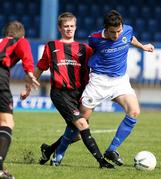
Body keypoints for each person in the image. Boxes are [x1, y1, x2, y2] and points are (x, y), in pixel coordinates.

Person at [21, 12, 114, 169]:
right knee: (82, 125)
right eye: (66, 26)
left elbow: (95, 71)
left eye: (71, 26)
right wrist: (28, 89)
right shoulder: (51, 46)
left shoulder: (85, 49)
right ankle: (101, 162)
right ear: (60, 28)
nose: (69, 29)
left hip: (79, 94)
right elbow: (40, 68)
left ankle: (48, 150)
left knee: (76, 133)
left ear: (76, 27)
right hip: (60, 93)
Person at [79, 10, 155, 166]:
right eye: (113, 32)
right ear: (106, 28)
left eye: (119, 31)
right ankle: (56, 150)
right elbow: (87, 54)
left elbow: (129, 38)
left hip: (120, 81)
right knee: (80, 122)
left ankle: (111, 150)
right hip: (99, 81)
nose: (116, 35)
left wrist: (142, 46)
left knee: (134, 111)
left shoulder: (127, 30)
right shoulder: (94, 39)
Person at [0, 21, 39, 179]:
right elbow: (25, 53)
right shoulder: (19, 40)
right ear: (21, 35)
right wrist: (30, 72)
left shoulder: (1, 41)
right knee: (7, 123)